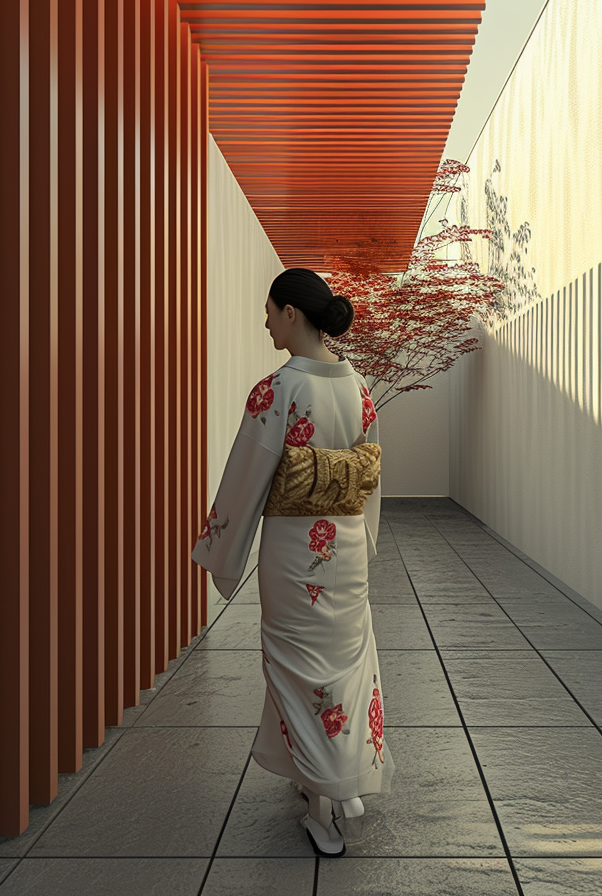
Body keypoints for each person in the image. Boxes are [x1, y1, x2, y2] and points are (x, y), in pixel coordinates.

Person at [191, 268, 391, 857]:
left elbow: (244, 480)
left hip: (294, 552)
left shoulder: (276, 391)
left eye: (270, 310)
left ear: (292, 315)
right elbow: (370, 482)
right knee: (346, 662)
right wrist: (363, 542)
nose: (265, 320)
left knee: (291, 664)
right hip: (346, 545)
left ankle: (329, 803)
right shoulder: (359, 389)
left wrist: (223, 550)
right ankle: (337, 782)